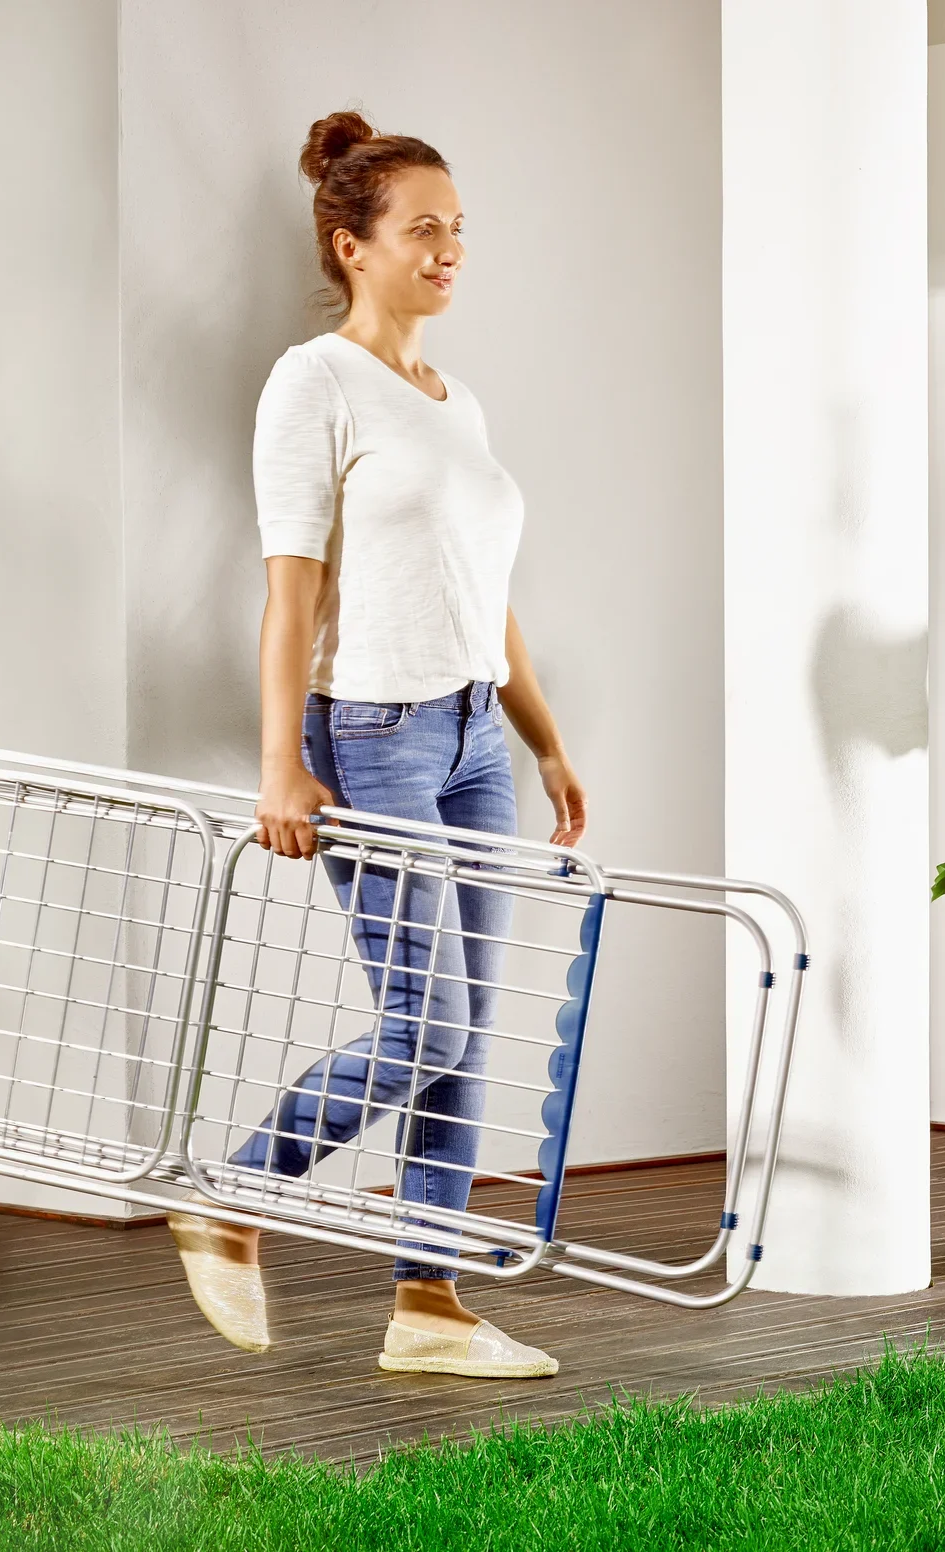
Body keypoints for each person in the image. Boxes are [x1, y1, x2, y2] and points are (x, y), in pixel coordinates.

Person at [166, 110, 587, 1379]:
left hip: (470, 738)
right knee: (432, 1025)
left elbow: (485, 591)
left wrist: (544, 740)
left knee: (467, 1025)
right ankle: (232, 1192)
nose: (449, 248)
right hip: (368, 733)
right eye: (423, 229)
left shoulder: (459, 401)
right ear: (352, 246)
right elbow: (290, 591)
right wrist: (280, 761)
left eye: (458, 228)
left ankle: (429, 1304)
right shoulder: (313, 382)